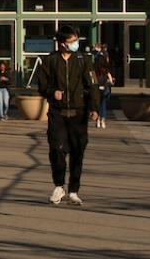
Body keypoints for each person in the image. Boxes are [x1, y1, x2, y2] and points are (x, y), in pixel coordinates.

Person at [36, 25, 99, 206]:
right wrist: (51, 92)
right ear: (62, 43)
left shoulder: (83, 60)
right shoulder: (50, 61)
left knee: (78, 152)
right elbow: (42, 85)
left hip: (79, 114)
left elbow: (92, 85)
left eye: (76, 41)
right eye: (71, 42)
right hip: (57, 113)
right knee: (56, 149)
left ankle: (73, 190)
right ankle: (58, 185)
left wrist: (94, 108)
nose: (75, 44)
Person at [95, 63, 114, 129]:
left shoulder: (95, 72)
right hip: (104, 91)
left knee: (97, 104)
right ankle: (102, 121)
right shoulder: (106, 72)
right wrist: (110, 82)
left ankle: (98, 119)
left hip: (97, 91)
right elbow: (111, 82)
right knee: (103, 104)